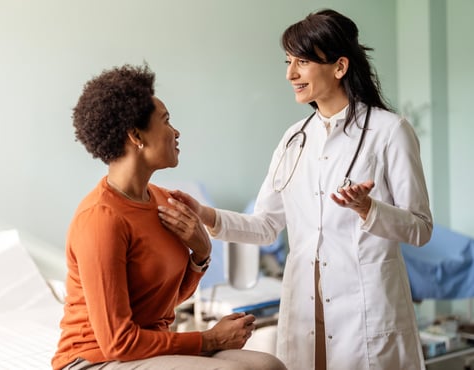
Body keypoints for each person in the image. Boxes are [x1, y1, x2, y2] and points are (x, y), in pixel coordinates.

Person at [158, 9, 433, 370]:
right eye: (289, 62)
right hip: (306, 307)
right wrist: (205, 214)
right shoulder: (294, 140)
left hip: (365, 310)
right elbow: (265, 225)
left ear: (339, 67)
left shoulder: (389, 131)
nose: (290, 74)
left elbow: (420, 228)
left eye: (302, 62)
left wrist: (370, 210)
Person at [51, 64, 286, 370]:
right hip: (94, 360)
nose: (176, 132)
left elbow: (162, 302)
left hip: (149, 348)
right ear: (136, 135)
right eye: (166, 121)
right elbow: (118, 342)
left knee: (269, 366)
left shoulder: (163, 201)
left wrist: (201, 255)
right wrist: (210, 339)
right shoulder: (100, 219)